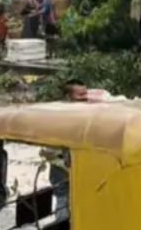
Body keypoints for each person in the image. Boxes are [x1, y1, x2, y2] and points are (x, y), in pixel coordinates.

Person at [46, 79, 87, 218]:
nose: (84, 98)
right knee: (63, 201)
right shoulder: (58, 117)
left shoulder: (85, 114)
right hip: (61, 168)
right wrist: (66, 166)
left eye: (85, 94)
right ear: (68, 97)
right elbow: (50, 150)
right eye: (80, 95)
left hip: (80, 167)